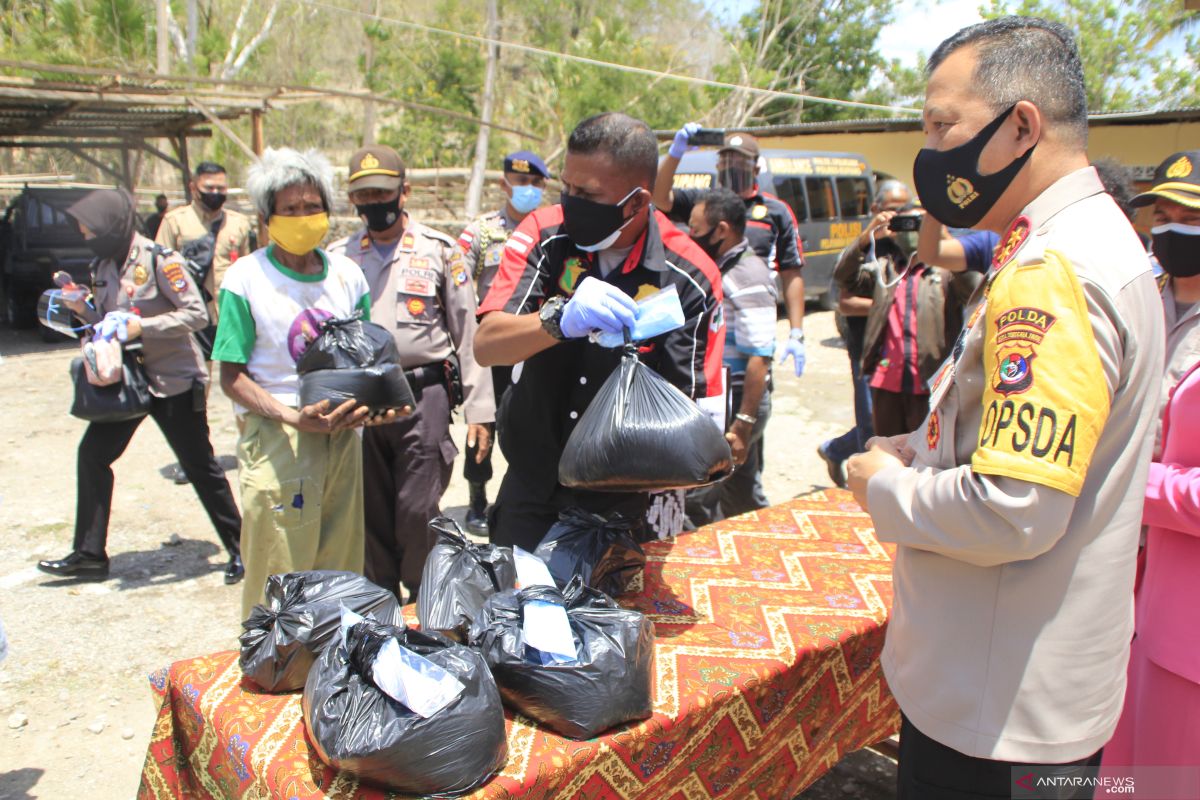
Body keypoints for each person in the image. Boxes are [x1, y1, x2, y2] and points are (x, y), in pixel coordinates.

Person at [846, 17, 1164, 799]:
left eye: (942, 125)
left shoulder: (1054, 269)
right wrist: (922, 451)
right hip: (1031, 688)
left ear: (1021, 125)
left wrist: (878, 486)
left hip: (991, 713)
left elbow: (1010, 508)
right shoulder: (1093, 241)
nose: (932, 150)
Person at [474, 111, 725, 552]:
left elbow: (691, 411)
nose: (570, 202)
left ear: (636, 202)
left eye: (587, 194)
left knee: (614, 615)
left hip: (625, 498)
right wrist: (557, 321)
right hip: (533, 482)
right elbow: (487, 345)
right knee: (512, 609)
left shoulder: (689, 276)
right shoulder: (545, 234)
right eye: (567, 188)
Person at [210, 147, 399, 618]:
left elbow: (363, 356)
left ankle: (329, 662)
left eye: (311, 207)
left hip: (343, 437)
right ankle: (271, 665)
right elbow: (231, 377)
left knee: (340, 561)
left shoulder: (347, 275)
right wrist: (294, 417)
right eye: (290, 209)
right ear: (267, 216)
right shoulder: (245, 279)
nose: (303, 216)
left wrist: (369, 408)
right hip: (279, 438)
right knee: (279, 565)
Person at [37, 188, 243, 584]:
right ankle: (89, 554)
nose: (86, 238)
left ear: (111, 225)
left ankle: (241, 549)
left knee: (200, 466)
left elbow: (196, 315)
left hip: (175, 381)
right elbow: (106, 319)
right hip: (128, 382)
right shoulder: (102, 264)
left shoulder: (160, 260)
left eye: (90, 230)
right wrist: (81, 307)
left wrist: (143, 326)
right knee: (92, 455)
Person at [327, 145, 493, 602]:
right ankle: (379, 602)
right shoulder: (338, 258)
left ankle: (427, 598)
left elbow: (468, 334)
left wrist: (481, 410)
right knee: (367, 507)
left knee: (417, 508)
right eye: (363, 195)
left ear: (405, 192)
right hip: (359, 397)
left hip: (424, 394)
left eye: (382, 191)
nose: (373, 203)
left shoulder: (440, 251)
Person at [1097, 151, 1200, 796]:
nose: (1166, 226)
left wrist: (1134, 483)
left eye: (1184, 214)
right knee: (1117, 759)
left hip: (1178, 603)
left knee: (1165, 772)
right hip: (1120, 563)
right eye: (1159, 212)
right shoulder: (1140, 297)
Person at [654, 127, 807, 377]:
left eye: (739, 161)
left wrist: (796, 332)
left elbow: (791, 272)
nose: (730, 167)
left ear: (756, 168)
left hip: (748, 314)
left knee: (749, 380)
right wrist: (675, 153)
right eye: (725, 160)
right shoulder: (703, 203)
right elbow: (661, 199)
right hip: (702, 312)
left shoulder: (775, 211)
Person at [455, 149, 550, 534]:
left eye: (534, 183)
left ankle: (522, 496)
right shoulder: (481, 231)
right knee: (483, 424)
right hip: (491, 346)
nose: (527, 189)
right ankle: (477, 498)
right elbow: (458, 285)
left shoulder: (550, 229)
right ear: (504, 183)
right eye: (520, 181)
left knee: (529, 424)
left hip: (534, 343)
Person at [833, 181, 972, 439]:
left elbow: (973, 290)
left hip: (929, 380)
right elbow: (843, 278)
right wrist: (866, 239)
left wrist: (946, 242)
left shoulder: (943, 272)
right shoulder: (885, 267)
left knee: (928, 455)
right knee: (883, 450)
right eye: (900, 223)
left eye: (916, 224)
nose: (908, 231)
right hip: (886, 379)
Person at [683, 188, 777, 526]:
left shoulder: (748, 274)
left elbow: (760, 356)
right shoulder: (721, 268)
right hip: (725, 398)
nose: (690, 236)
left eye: (695, 229)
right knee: (739, 491)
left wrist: (744, 422)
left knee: (698, 496)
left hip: (740, 402)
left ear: (721, 230)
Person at [1130, 150, 1200, 453]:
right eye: (1163, 218)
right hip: (1126, 489)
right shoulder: (1138, 300)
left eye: (1190, 219)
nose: (1173, 229)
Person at [156, 161, 255, 353]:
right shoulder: (175, 222)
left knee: (237, 374)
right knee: (201, 379)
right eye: (209, 187)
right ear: (193, 188)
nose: (215, 193)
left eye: (221, 188)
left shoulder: (239, 223)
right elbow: (159, 268)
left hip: (231, 312)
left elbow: (249, 269)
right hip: (193, 313)